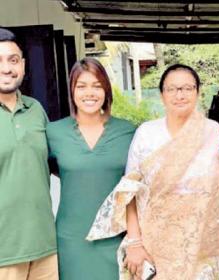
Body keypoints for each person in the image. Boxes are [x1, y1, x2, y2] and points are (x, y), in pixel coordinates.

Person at [87, 64, 219, 279]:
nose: (179, 95)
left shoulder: (214, 133)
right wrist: (134, 242)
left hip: (202, 245)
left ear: (198, 92)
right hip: (156, 246)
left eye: (187, 88)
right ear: (162, 95)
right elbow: (129, 192)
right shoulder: (147, 134)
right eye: (172, 89)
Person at [46, 57, 135, 280]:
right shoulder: (53, 132)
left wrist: (136, 238)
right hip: (71, 240)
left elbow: (136, 189)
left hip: (115, 238)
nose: (90, 93)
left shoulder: (128, 132)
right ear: (72, 91)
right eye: (81, 86)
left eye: (97, 86)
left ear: (106, 90)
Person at [0, 28, 58, 279]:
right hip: (4, 253)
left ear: (23, 65)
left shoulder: (35, 110)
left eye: (13, 60)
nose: (6, 68)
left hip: (45, 247)